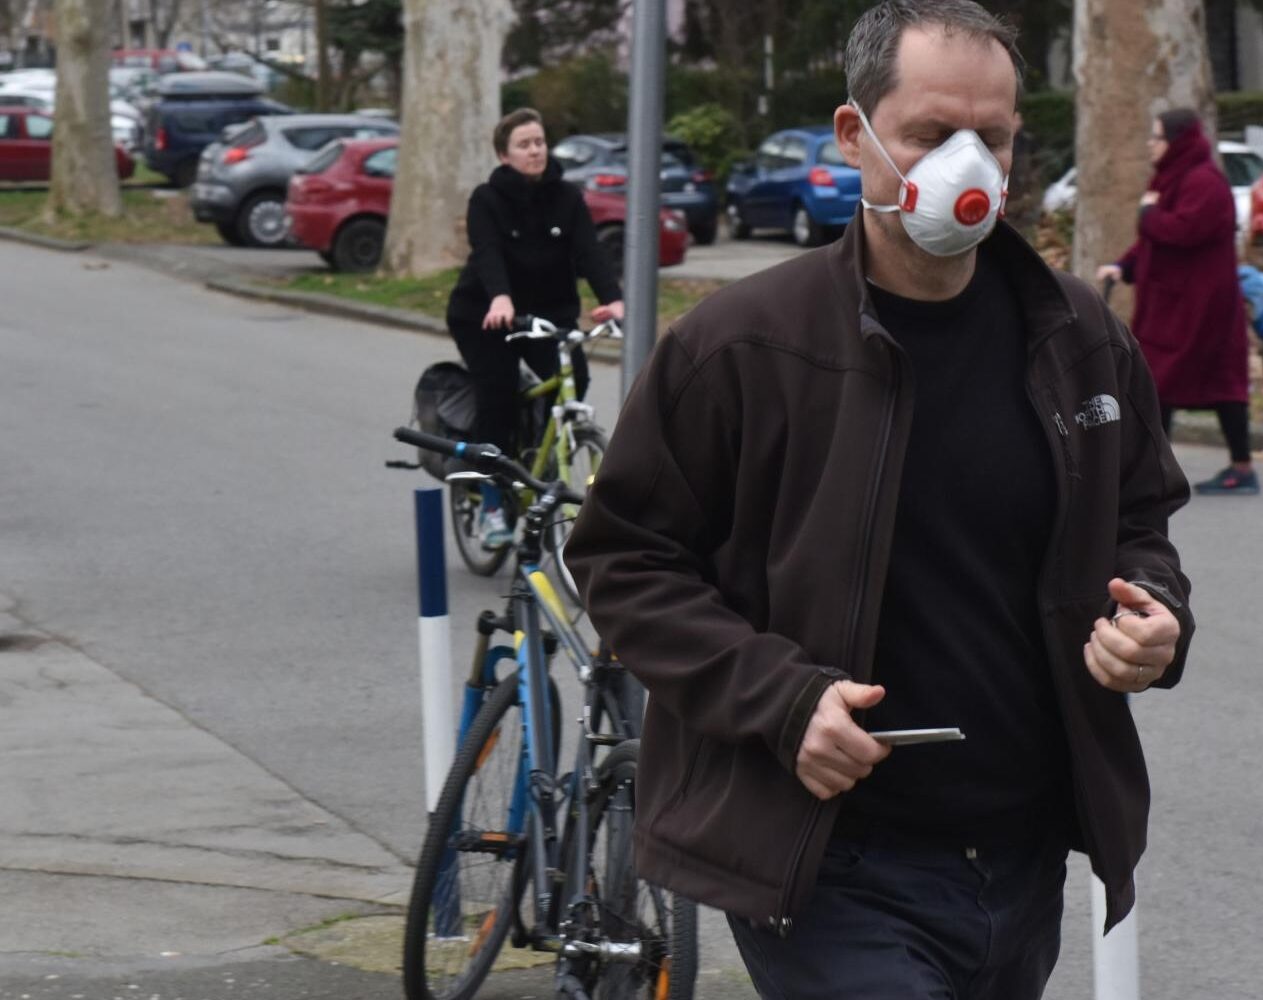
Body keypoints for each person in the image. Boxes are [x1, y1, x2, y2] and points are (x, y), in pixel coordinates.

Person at [565, 2, 1195, 997]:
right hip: (830, 862)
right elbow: (625, 560)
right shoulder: (740, 347)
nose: (967, 165)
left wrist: (1154, 615)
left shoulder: (1075, 336)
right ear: (852, 136)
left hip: (1019, 855)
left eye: (992, 137)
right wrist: (782, 701)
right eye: (931, 134)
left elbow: (1136, 521)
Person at [445, 107, 624, 546]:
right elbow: (487, 251)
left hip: (549, 313)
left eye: (539, 142)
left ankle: (537, 458)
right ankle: (491, 503)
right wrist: (500, 297)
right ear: (504, 155)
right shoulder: (486, 199)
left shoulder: (567, 197)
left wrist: (613, 299)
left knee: (574, 377)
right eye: (524, 145)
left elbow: (589, 252)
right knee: (499, 392)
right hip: (487, 314)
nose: (535, 151)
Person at [1097, 109, 1258, 495]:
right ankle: (1157, 469)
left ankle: (1179, 471)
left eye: (1157, 137)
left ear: (1178, 141)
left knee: (1188, 381)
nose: (1151, 144)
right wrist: (1124, 267)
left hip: (1201, 307)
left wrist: (1148, 213)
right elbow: (1154, 243)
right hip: (1176, 304)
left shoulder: (1204, 182)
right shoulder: (1174, 178)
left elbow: (1182, 231)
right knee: (1164, 382)